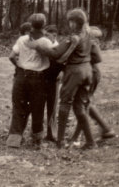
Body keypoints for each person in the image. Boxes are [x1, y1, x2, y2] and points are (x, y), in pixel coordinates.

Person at [30, 9, 96, 149]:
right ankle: (90, 141)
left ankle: (60, 141)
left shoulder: (74, 37)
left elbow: (56, 53)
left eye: (70, 21)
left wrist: (38, 47)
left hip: (75, 71)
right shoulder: (88, 33)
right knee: (79, 107)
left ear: (74, 22)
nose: (69, 24)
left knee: (65, 104)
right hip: (87, 70)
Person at [6, 14, 53, 149]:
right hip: (38, 78)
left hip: (21, 76)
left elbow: (11, 56)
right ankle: (36, 140)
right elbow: (55, 56)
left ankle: (14, 140)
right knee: (37, 107)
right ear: (44, 25)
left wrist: (20, 68)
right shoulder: (46, 41)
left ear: (30, 24)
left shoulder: (22, 39)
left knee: (18, 107)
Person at [69, 26, 115, 144]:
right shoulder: (82, 36)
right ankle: (105, 128)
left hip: (90, 73)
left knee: (82, 104)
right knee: (84, 103)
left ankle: (78, 138)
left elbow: (98, 57)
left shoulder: (87, 36)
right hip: (88, 73)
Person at [43, 25, 62, 142]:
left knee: (52, 107)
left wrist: (62, 72)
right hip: (43, 79)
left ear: (54, 35)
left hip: (54, 81)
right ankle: (39, 132)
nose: (45, 37)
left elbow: (65, 62)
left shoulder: (59, 47)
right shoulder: (45, 46)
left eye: (47, 35)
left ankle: (52, 133)